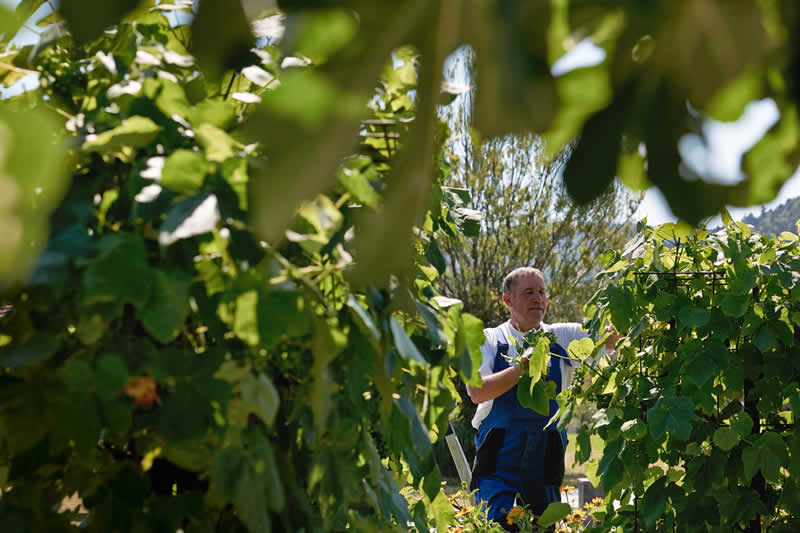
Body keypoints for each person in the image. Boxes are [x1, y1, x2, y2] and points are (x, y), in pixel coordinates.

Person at [466, 267, 614, 527]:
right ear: (508, 300)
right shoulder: (491, 340)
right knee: (495, 524)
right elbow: (477, 391)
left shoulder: (562, 336)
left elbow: (609, 338)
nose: (538, 298)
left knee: (542, 524)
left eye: (542, 292)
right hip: (499, 449)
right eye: (529, 292)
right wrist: (522, 368)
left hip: (546, 449)